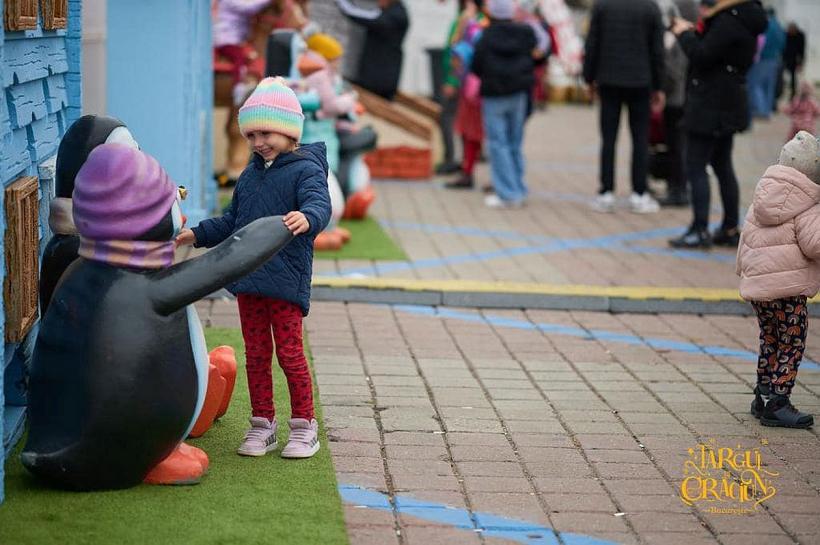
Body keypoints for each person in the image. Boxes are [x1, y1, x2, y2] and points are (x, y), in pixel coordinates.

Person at [176, 77, 332, 458]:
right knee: (257, 354)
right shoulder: (249, 176)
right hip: (249, 281)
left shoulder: (306, 170)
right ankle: (263, 424)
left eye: (267, 133)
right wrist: (195, 234)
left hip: (285, 280)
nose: (259, 141)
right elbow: (232, 222)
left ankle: (304, 425)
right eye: (252, 135)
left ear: (288, 132)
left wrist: (308, 217)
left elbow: (320, 203)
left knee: (290, 354)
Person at [668, 0, 767, 249]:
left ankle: (699, 229)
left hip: (711, 102)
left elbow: (702, 55)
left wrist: (684, 34)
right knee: (722, 164)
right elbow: (718, 50)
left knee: (695, 164)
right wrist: (696, 31)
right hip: (728, 99)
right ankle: (729, 227)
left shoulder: (729, 19)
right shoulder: (745, 16)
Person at [737, 131, 820, 429]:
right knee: (792, 341)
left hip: (760, 288)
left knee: (770, 338)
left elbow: (745, 240)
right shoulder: (808, 204)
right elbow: (814, 244)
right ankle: (779, 401)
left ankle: (762, 394)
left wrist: (744, 274)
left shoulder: (764, 194)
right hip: (787, 289)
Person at [583, 0, 665, 214]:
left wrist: (588, 78)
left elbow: (592, 43)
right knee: (640, 139)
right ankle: (639, 193)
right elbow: (657, 50)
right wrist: (659, 86)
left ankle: (606, 193)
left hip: (609, 79)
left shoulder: (603, 5)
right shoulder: (650, 7)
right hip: (641, 81)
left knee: (608, 139)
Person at [470, 0, 536, 208]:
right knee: (514, 142)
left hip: (495, 94)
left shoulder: (486, 36)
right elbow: (539, 53)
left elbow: (476, 65)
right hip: (519, 93)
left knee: (498, 144)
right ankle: (518, 188)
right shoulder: (526, 33)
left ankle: (508, 194)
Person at [444, 0, 488, 190]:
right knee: (475, 132)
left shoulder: (472, 23)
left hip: (472, 88)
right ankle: (468, 169)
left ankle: (467, 171)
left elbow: (456, 52)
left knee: (470, 131)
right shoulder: (486, 22)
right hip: (483, 87)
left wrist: (452, 81)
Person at [335, 0, 409, 100]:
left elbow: (354, 13)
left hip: (378, 80)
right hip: (380, 78)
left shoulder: (395, 16)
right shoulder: (393, 11)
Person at [747, 7, 785, 119]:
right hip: (775, 59)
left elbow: (761, 42)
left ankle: (760, 109)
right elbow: (783, 43)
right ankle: (767, 110)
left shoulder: (767, 25)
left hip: (763, 58)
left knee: (756, 84)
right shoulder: (779, 26)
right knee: (769, 86)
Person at [783, 22, 806, 101]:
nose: (790, 31)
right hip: (786, 58)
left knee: (794, 78)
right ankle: (786, 92)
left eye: (791, 29)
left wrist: (801, 64)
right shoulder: (786, 34)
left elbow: (802, 51)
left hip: (795, 59)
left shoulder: (800, 35)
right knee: (785, 77)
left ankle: (794, 94)